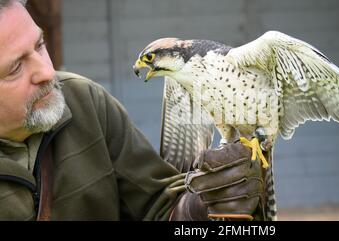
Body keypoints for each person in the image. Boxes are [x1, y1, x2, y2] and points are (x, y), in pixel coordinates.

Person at [0, 0, 264, 221]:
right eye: (15, 68)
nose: (46, 71)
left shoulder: (84, 102)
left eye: (40, 45)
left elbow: (156, 204)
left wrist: (198, 209)